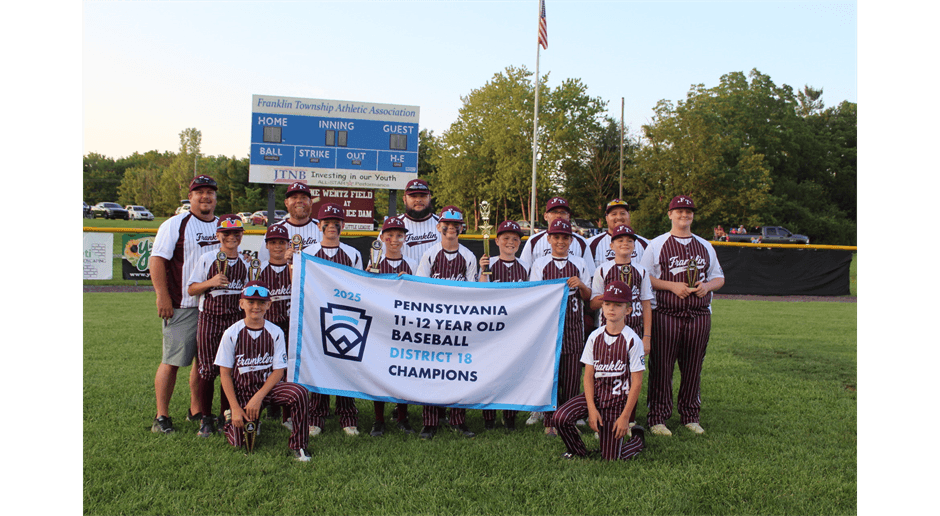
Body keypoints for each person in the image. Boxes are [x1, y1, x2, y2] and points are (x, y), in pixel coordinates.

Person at [639, 195, 725, 436]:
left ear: (693, 216)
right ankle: (657, 418)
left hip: (698, 315)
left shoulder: (705, 245)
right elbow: (644, 278)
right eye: (679, 211)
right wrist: (671, 286)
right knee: (662, 368)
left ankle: (690, 415)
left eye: (688, 212)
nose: (684, 215)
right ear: (670, 214)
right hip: (666, 313)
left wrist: (707, 286)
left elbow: (719, 277)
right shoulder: (657, 244)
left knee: (693, 367)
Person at [148, 174, 220, 434]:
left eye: (210, 192)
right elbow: (157, 260)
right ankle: (161, 416)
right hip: (183, 304)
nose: (205, 196)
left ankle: (196, 409)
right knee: (172, 360)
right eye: (199, 192)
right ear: (190, 197)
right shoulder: (175, 224)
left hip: (214, 307)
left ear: (215, 197)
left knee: (204, 363)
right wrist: (162, 296)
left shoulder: (222, 225)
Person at [215, 281, 312, 462]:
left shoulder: (275, 332)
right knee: (240, 443)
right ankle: (231, 418)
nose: (256, 307)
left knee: (299, 392)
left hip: (267, 391)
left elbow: (278, 371)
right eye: (250, 302)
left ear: (269, 305)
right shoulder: (231, 333)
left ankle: (299, 445)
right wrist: (235, 408)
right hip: (243, 393)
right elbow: (225, 374)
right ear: (241, 303)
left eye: (261, 303)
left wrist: (259, 398)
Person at [520, 197, 594, 427]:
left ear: (571, 240)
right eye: (556, 237)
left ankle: (570, 414)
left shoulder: (580, 262)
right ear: (549, 239)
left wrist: (580, 285)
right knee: (549, 371)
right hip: (549, 325)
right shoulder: (541, 264)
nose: (560, 241)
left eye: (565, 237)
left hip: (573, 324)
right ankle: (549, 418)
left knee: (572, 373)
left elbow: (588, 297)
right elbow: (534, 295)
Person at [555, 281, 646, 460]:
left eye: (618, 305)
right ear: (602, 306)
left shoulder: (632, 340)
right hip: (596, 396)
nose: (611, 309)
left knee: (611, 458)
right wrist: (591, 409)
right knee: (561, 417)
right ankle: (578, 451)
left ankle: (637, 439)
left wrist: (625, 417)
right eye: (607, 304)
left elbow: (637, 382)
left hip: (617, 401)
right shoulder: (594, 337)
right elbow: (588, 377)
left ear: (628, 310)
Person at [415, 206, 478, 439]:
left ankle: (458, 419)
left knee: (458, 370)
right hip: (434, 321)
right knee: (431, 369)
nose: (451, 228)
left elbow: (473, 290)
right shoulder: (430, 253)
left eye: (455, 225)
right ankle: (430, 422)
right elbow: (421, 287)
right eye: (447, 224)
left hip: (459, 322)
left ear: (461, 227)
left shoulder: (468, 256)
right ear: (438, 226)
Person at [303, 203, 363, 436]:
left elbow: (359, 287)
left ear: (343, 225)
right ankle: (316, 417)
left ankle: (348, 416)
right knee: (319, 365)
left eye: (336, 222)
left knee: (346, 365)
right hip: (316, 316)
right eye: (326, 222)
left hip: (345, 317)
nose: (331, 226)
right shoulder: (307, 253)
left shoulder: (352, 253)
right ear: (319, 225)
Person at [187, 215, 250, 436]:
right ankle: (206, 418)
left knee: (230, 370)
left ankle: (227, 415)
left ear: (242, 236)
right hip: (210, 319)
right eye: (226, 234)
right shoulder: (208, 258)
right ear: (218, 236)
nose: (231, 237)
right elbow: (191, 289)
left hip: (234, 321)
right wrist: (211, 282)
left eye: (236, 233)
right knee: (206, 370)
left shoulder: (246, 261)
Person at [589, 224, 654, 426]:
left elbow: (646, 304)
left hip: (634, 330)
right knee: (606, 372)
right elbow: (592, 304)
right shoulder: (603, 269)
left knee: (631, 376)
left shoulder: (641, 271)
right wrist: (609, 297)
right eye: (620, 240)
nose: (624, 244)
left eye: (629, 241)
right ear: (612, 245)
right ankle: (602, 415)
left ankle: (629, 418)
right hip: (608, 332)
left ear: (635, 245)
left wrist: (647, 337)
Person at [367, 217, 418, 437]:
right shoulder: (374, 263)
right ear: (382, 237)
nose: (394, 239)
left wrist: (410, 282)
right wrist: (368, 277)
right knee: (379, 369)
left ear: (405, 238)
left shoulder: (413, 264)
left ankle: (402, 417)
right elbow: (366, 295)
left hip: (405, 324)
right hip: (380, 324)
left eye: (399, 235)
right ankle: (378, 420)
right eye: (390, 235)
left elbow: (421, 296)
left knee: (402, 369)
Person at [477, 220, 529, 431]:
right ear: (496, 240)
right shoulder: (489, 263)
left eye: (515, 239)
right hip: (491, 327)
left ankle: (510, 416)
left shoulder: (525, 266)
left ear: (519, 243)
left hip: (515, 327)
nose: (510, 242)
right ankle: (488, 417)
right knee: (489, 371)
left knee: (512, 372)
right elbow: (479, 294)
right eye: (506, 238)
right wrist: (483, 272)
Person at [257, 181, 321, 263]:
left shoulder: (322, 228)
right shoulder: (274, 230)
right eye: (294, 197)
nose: (299, 201)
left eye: (304, 197)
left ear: (310, 202)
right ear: (286, 203)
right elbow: (263, 262)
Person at [587, 199, 650, 269]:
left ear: (629, 216)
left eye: (623, 213)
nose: (619, 217)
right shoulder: (591, 244)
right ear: (606, 218)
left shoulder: (645, 244)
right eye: (614, 214)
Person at [393, 178, 441, 262]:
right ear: (404, 199)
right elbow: (378, 258)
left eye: (422, 196)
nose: (418, 200)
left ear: (430, 198)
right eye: (413, 196)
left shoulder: (443, 224)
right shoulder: (392, 225)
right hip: (403, 274)